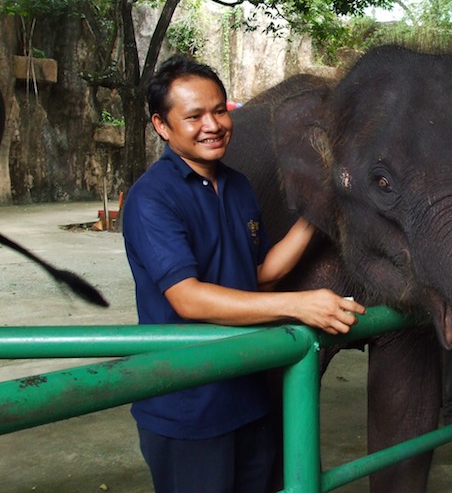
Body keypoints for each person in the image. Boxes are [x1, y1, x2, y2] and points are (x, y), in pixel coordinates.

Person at [123, 55, 365, 493]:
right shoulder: (151, 199)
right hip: (189, 407)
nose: (212, 124)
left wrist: (317, 212)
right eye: (193, 116)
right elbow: (187, 297)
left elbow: (261, 274)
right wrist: (302, 305)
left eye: (219, 110)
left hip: (248, 398)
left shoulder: (236, 185)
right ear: (162, 126)